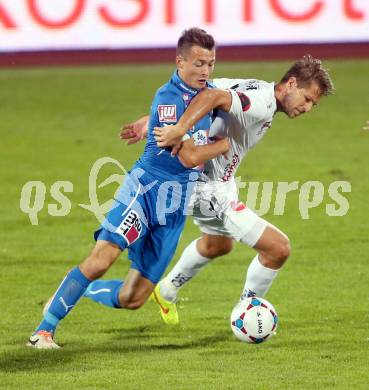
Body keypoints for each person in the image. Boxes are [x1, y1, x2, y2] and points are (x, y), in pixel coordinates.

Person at [27, 27, 230, 349]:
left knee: (133, 297)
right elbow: (190, 156)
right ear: (180, 62)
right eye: (199, 63)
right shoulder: (167, 99)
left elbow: (216, 100)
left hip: (173, 208)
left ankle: (78, 290)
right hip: (144, 193)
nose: (206, 71)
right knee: (101, 260)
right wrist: (224, 146)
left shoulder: (212, 91)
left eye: (212, 63)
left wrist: (144, 121)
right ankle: (44, 331)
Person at [110, 55, 334, 325]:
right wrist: (178, 128)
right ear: (291, 83)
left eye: (314, 104)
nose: (308, 108)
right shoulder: (261, 104)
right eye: (308, 98)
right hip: (204, 188)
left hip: (217, 181)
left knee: (218, 244)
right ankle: (246, 313)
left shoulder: (256, 87)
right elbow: (212, 97)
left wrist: (156, 119)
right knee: (278, 249)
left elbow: (200, 92)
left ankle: (166, 290)